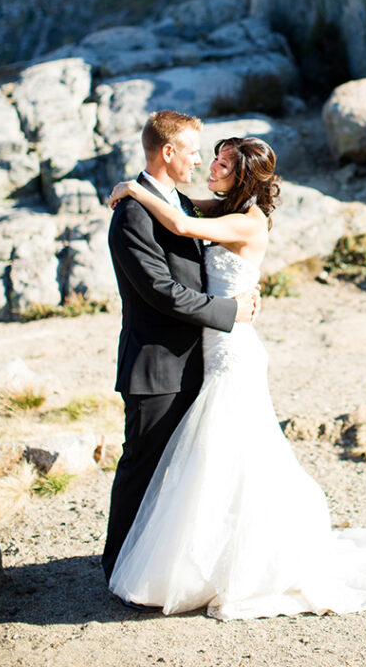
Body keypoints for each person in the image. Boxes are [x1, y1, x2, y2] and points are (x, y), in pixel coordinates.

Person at [107, 134, 366, 619]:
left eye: (224, 163)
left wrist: (132, 187)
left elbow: (181, 221)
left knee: (231, 452)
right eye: (213, 157)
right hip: (212, 344)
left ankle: (238, 560)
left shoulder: (247, 221)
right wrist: (148, 190)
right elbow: (181, 204)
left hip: (232, 347)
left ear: (243, 175)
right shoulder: (226, 206)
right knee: (213, 457)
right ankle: (207, 551)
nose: (213, 165)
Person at [102, 110, 258, 584]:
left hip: (200, 361)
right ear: (168, 152)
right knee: (143, 468)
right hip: (157, 366)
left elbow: (193, 223)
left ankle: (166, 564)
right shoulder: (133, 214)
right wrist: (230, 311)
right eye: (193, 151)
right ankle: (120, 569)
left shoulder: (178, 203)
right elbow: (162, 291)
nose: (199, 161)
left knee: (188, 473)